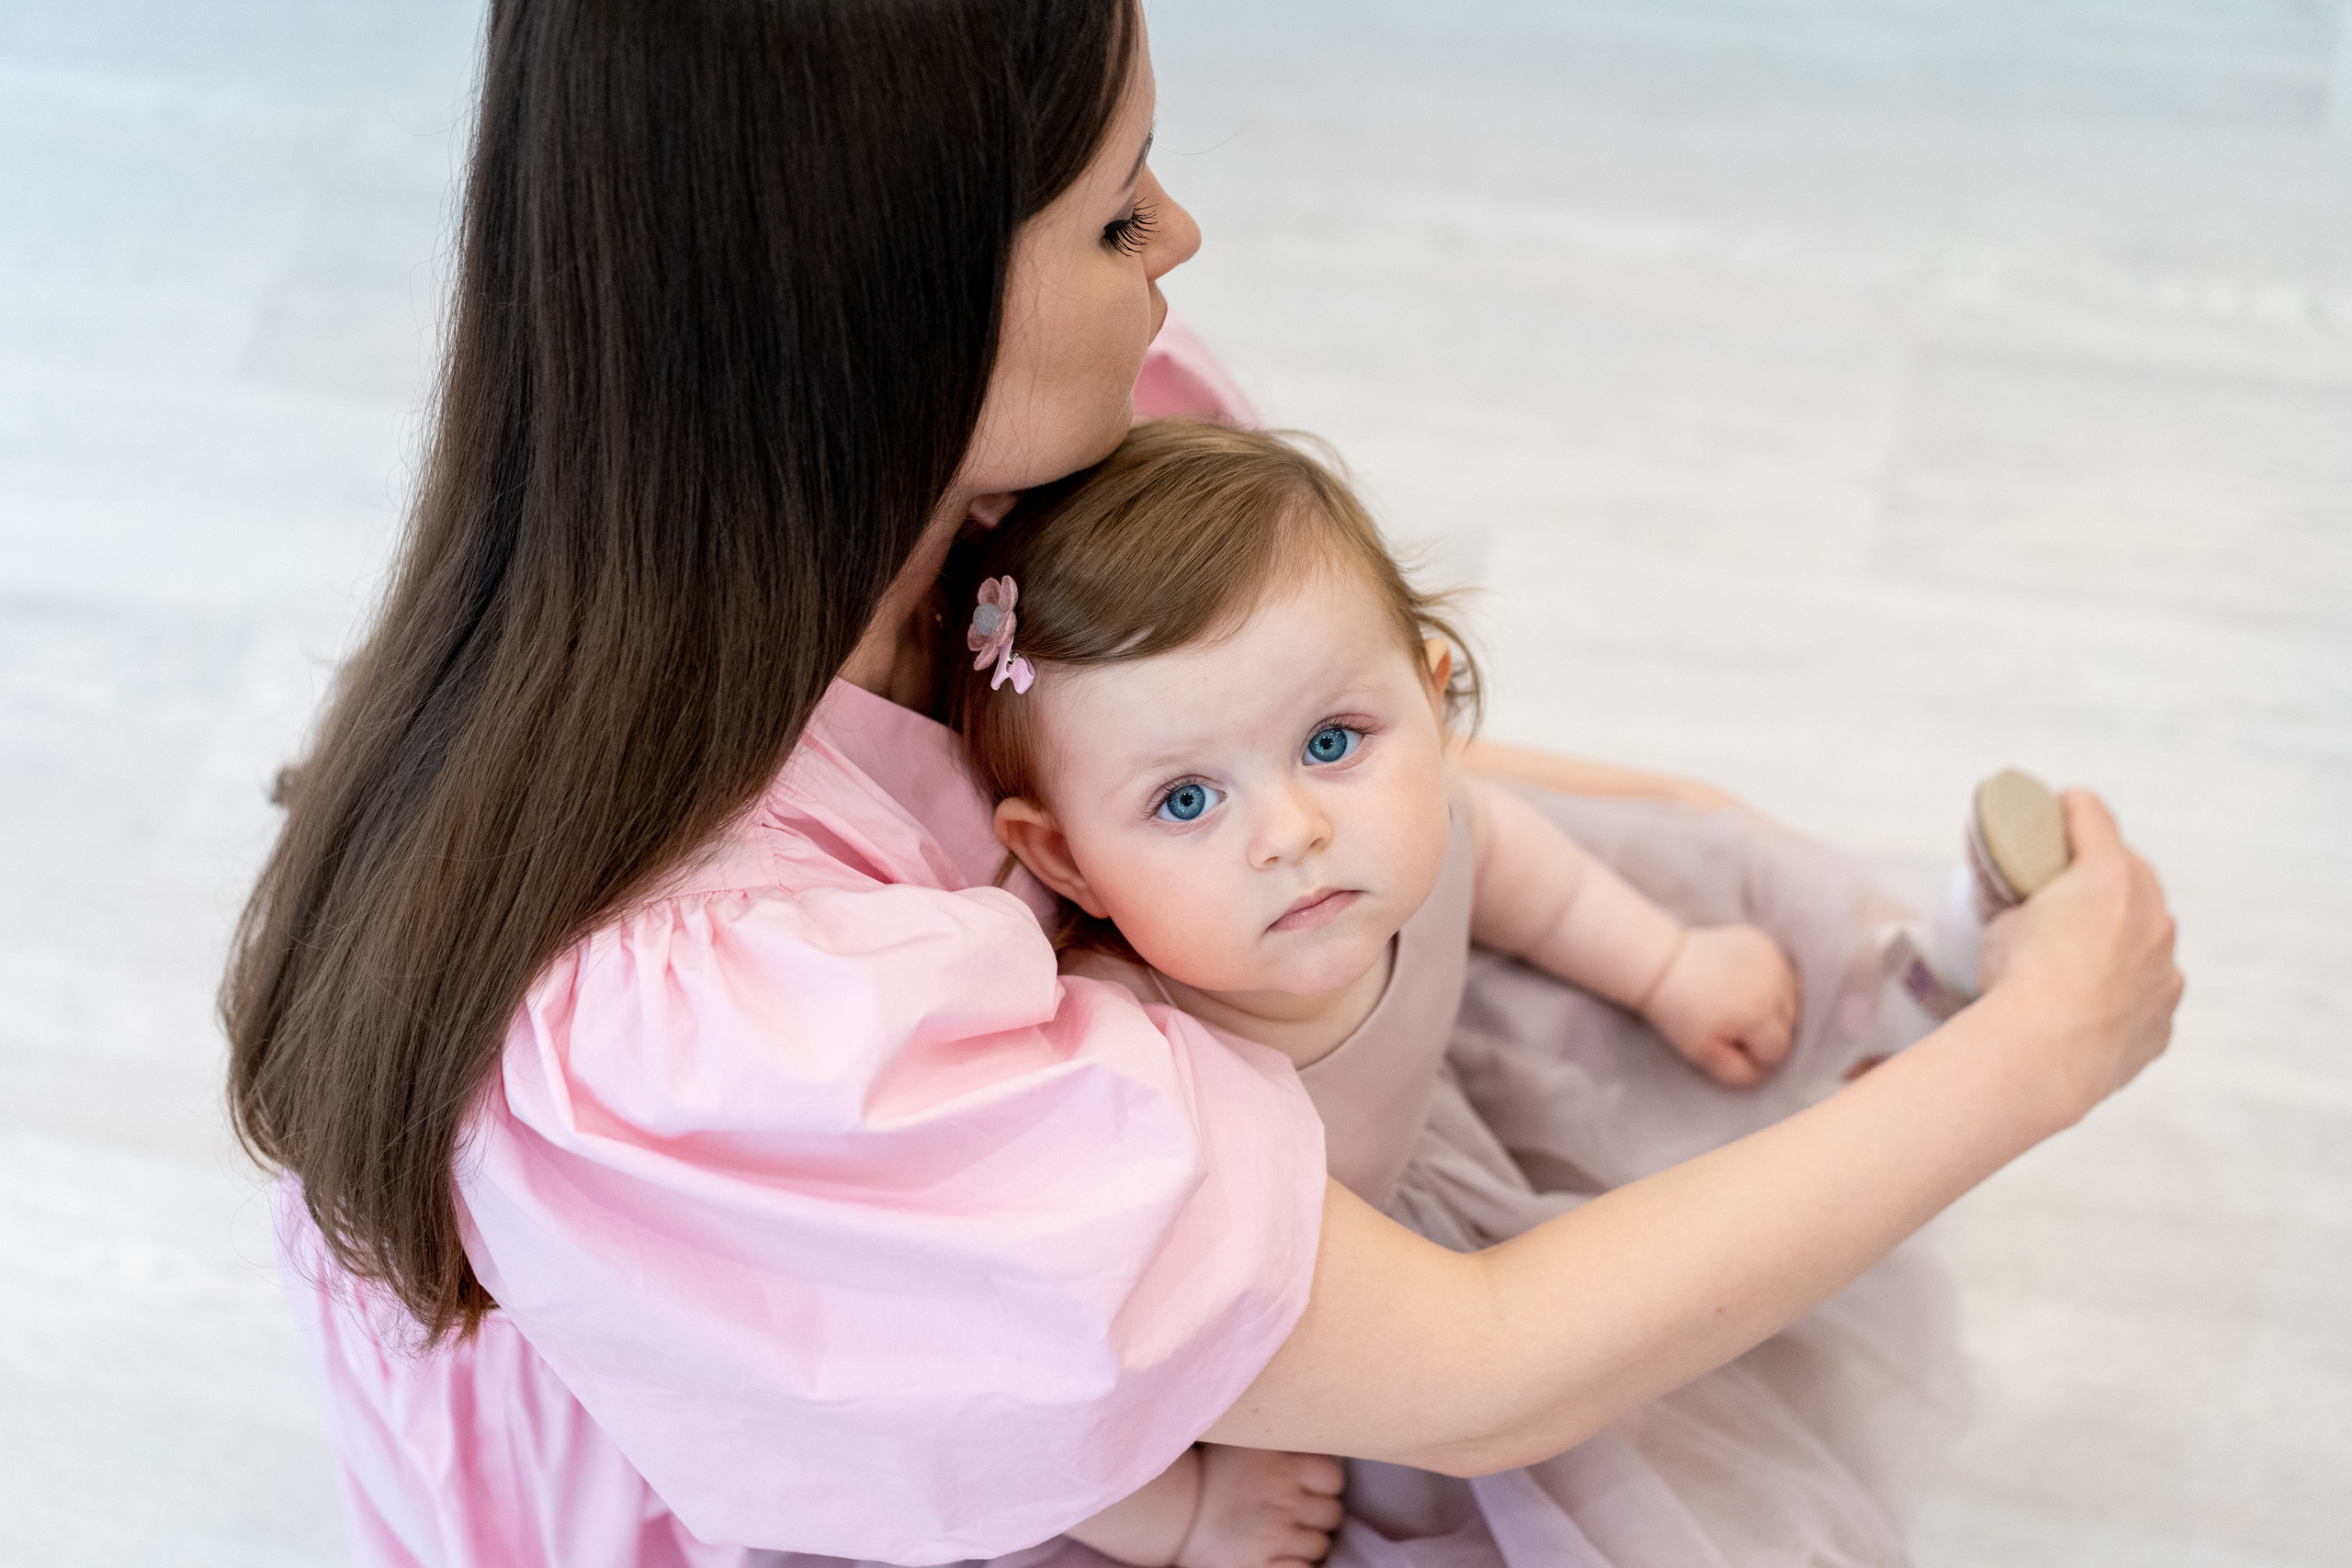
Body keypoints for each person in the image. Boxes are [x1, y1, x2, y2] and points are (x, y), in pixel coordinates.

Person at [223, 3, 2182, 1566]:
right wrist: (2042, 1058)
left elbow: (1298, 730)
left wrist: (1663, 834)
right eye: (1113, 209)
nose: (1177, 240)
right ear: (880, 312)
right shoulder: (736, 1033)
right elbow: (1476, 1367)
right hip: (974, 1424)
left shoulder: (1013, 460)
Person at [938, 418, 2038, 1568]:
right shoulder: (1115, 1077)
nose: (1291, 831)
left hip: (1441, 1192)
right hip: (1297, 1372)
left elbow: (1502, 857)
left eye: (1329, 741)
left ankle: (1891, 995)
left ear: (1432, 693)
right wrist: (1177, 1519)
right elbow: (1020, 1371)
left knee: (1709, 1013)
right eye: (1183, 803)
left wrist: (1663, 964)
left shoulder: (1415, 820)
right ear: (1062, 859)